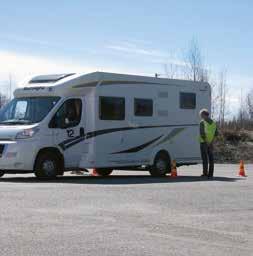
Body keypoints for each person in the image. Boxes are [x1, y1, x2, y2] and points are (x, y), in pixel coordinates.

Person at [199, 109, 218, 179]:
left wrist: (207, 142)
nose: (200, 116)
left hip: (204, 142)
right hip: (211, 143)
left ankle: (205, 173)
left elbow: (202, 134)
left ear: (204, 115)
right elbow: (216, 133)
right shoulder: (214, 122)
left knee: (205, 159)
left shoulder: (202, 122)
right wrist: (211, 142)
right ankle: (211, 174)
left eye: (201, 115)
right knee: (211, 159)